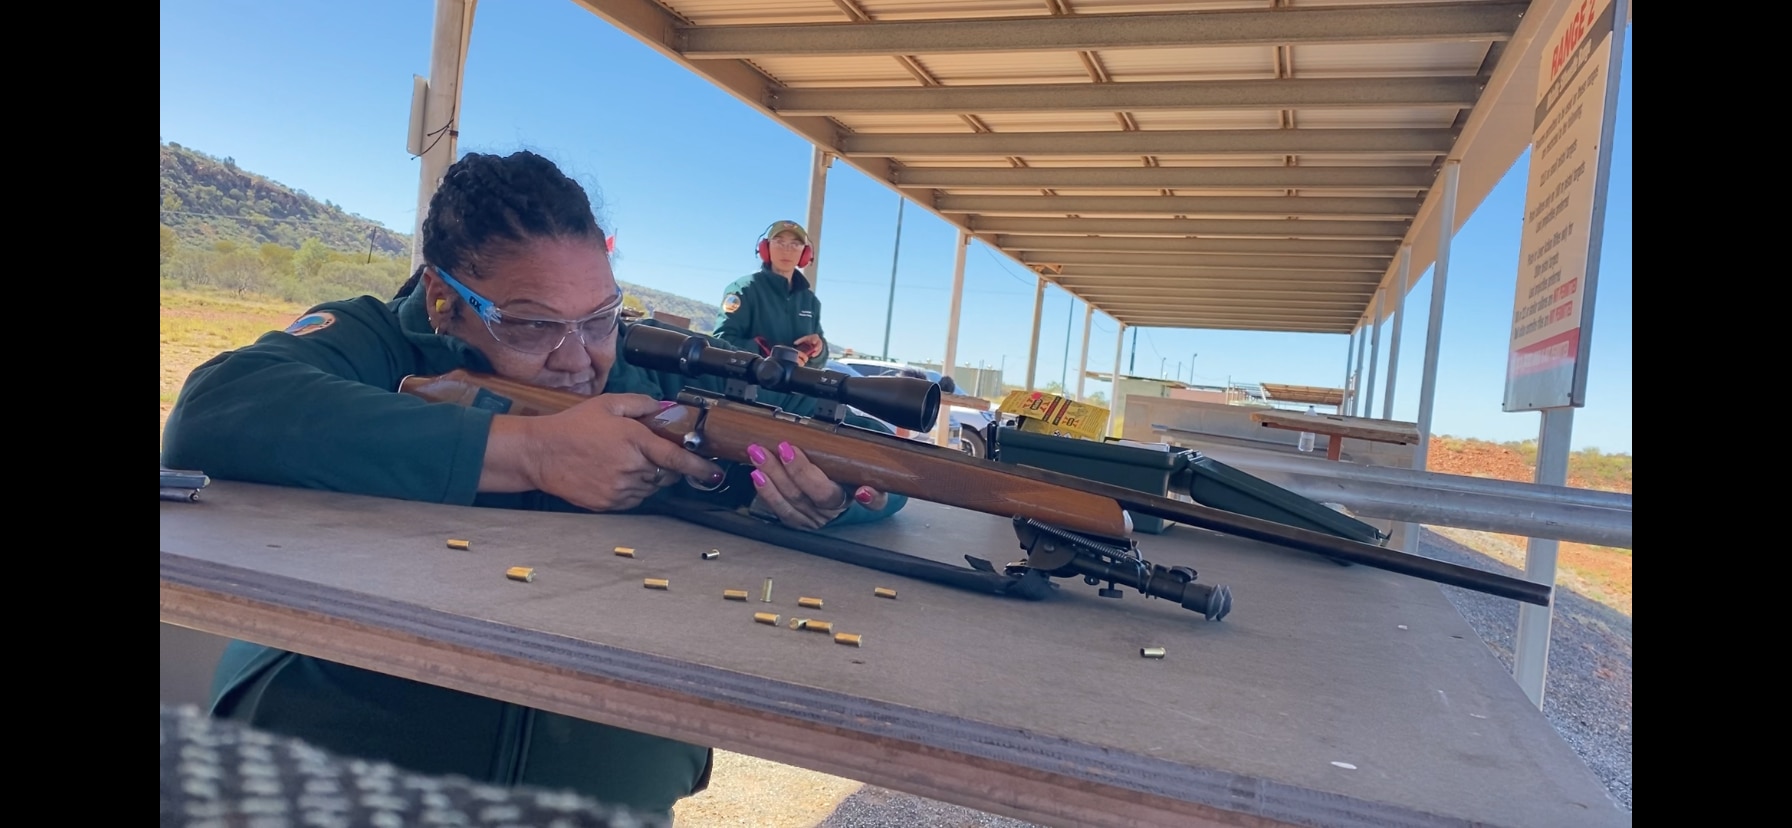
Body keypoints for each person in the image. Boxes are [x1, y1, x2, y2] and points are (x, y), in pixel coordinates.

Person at [159, 150, 908, 822]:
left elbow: (862, 446)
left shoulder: (650, 363)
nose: (578, 360)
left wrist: (836, 499)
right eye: (530, 325)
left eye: (601, 318)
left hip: (602, 780)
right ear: (443, 299)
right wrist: (531, 450)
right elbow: (218, 408)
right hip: (336, 747)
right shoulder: (375, 338)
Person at [713, 220, 826, 365]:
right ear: (766, 248)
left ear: (805, 253)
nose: (787, 250)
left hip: (793, 387)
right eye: (779, 242)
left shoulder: (810, 301)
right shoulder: (744, 289)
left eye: (795, 244)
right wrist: (768, 353)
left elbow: (820, 358)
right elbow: (722, 343)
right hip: (752, 386)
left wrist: (819, 351)